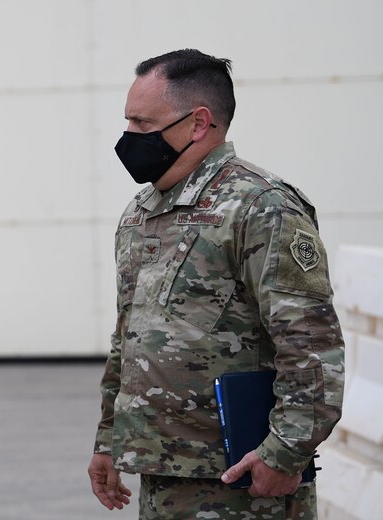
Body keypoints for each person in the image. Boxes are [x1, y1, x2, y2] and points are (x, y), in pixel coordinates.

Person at [87, 49, 344, 519]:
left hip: (243, 478)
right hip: (163, 471)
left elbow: (310, 344)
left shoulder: (261, 207)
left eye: (143, 124)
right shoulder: (141, 213)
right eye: (128, 122)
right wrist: (110, 439)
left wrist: (284, 453)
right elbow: (129, 337)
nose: (129, 137)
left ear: (198, 123)